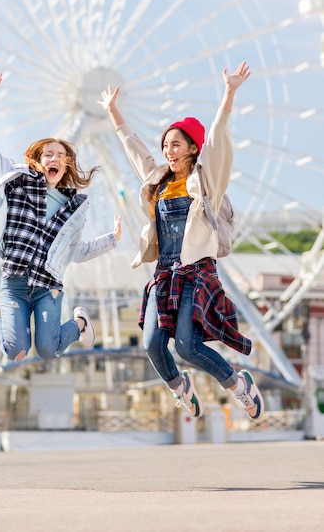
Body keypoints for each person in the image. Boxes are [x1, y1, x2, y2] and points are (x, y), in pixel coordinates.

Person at [98, 61, 264, 420]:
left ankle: (239, 386)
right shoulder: (157, 180)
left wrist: (229, 93)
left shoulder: (207, 184)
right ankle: (180, 387)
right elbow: (134, 150)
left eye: (176, 145)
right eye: (165, 145)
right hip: (164, 273)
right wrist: (114, 113)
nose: (168, 151)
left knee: (188, 346)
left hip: (196, 273)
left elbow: (219, 140)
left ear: (192, 148)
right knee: (152, 344)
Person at [0, 72, 121, 362]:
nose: (54, 159)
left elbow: (77, 251)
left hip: (49, 287)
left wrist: (112, 239)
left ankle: (80, 323)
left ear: (66, 164)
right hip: (15, 282)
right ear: (38, 160)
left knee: (49, 350)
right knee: (15, 351)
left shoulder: (73, 208)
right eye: (48, 154)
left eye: (60, 155)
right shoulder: (18, 180)